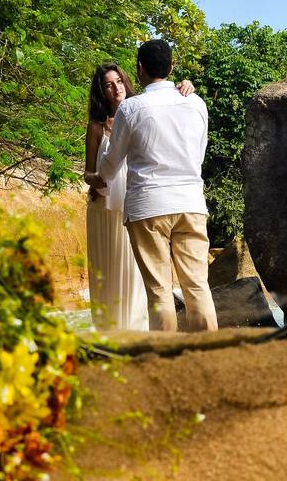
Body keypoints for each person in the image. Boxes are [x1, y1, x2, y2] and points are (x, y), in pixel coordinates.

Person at [96, 40, 218, 332]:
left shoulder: (130, 108)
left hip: (148, 207)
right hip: (190, 202)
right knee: (198, 286)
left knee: (159, 291)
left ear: (139, 69)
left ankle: (164, 361)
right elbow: (198, 155)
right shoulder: (196, 103)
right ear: (172, 67)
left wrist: (101, 170)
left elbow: (112, 163)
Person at [83, 63, 194, 331]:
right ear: (102, 91)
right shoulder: (96, 127)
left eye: (119, 81)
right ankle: (109, 331)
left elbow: (169, 111)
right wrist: (98, 181)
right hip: (105, 208)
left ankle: (137, 329)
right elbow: (88, 172)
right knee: (107, 273)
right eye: (109, 84)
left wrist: (187, 85)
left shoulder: (141, 111)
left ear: (126, 81)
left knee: (137, 271)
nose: (116, 88)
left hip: (136, 203)